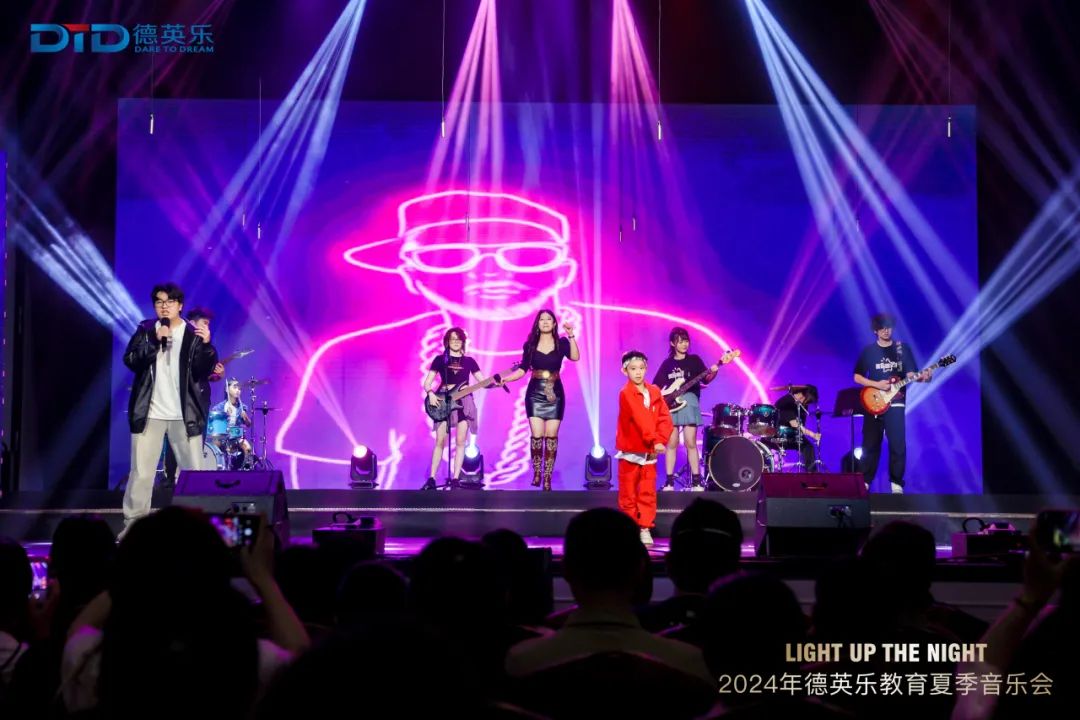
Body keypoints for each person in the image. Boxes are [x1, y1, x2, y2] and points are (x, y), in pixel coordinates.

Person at [121, 283, 218, 530]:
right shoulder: (146, 330)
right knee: (141, 473)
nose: (164, 306)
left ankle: (197, 528)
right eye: (159, 302)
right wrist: (155, 342)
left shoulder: (193, 333)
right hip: (150, 412)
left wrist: (207, 346)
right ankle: (133, 526)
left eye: (170, 302)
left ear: (180, 305)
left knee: (193, 474)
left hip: (184, 414)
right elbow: (131, 360)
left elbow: (202, 371)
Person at [498, 309, 580, 490]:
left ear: (554, 323)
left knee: (551, 436)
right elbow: (522, 369)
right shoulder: (529, 345)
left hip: (555, 393)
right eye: (542, 319)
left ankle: (547, 477)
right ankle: (537, 472)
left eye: (549, 319)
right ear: (537, 323)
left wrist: (571, 335)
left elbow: (575, 357)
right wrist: (506, 379)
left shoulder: (562, 343)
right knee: (537, 435)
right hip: (535, 393)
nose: (545, 322)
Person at [853, 313, 931, 494]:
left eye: (888, 327)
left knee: (898, 444)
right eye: (882, 328)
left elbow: (911, 374)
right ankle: (865, 481)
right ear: (875, 330)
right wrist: (877, 384)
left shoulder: (902, 349)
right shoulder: (869, 351)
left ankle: (896, 482)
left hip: (896, 403)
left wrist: (924, 378)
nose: (886, 331)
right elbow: (857, 376)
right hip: (873, 402)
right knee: (870, 443)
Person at [615, 351, 673, 545]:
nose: (638, 372)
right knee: (628, 494)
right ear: (625, 371)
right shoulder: (626, 393)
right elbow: (641, 417)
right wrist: (654, 440)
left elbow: (665, 418)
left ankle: (645, 527)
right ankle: (629, 528)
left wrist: (660, 440)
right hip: (631, 450)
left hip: (650, 451)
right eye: (633, 369)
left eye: (641, 368)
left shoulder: (654, 391)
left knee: (647, 492)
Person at [653, 328, 718, 491]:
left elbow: (706, 379)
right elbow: (656, 386)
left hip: (689, 402)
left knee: (690, 442)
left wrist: (715, 371)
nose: (684, 344)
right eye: (680, 341)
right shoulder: (667, 364)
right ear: (672, 343)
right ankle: (669, 482)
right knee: (671, 443)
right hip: (671, 405)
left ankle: (696, 481)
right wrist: (663, 398)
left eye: (686, 341)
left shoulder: (694, 360)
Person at [421, 328, 486, 489]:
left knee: (461, 441)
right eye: (453, 339)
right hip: (443, 400)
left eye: (459, 339)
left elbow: (483, 381)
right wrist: (430, 393)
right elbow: (427, 382)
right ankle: (432, 478)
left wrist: (497, 382)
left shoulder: (469, 361)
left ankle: (456, 478)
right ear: (447, 342)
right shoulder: (439, 360)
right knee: (440, 441)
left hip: (464, 401)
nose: (456, 342)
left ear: (463, 342)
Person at [772, 384, 821, 471]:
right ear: (800, 394)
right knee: (807, 446)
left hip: (791, 435)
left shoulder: (801, 405)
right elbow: (795, 424)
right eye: (806, 400)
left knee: (808, 447)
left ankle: (812, 475)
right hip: (778, 435)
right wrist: (813, 435)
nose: (805, 403)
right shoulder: (787, 402)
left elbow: (801, 426)